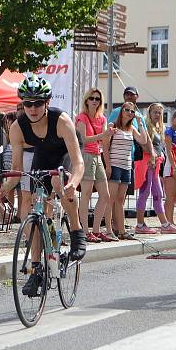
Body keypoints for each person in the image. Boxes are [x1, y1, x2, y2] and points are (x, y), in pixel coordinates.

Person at [0, 75, 87, 296]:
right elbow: (18, 171)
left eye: (38, 102)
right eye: (28, 103)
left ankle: (76, 232)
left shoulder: (62, 120)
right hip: (44, 155)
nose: (33, 108)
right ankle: (37, 269)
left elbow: (78, 162)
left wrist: (73, 184)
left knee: (60, 182)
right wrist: (4, 188)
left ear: (47, 102)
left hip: (65, 153)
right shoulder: (18, 128)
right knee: (31, 208)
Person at [104, 101, 148, 240]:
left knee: (120, 200)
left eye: (132, 111)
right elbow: (105, 147)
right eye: (127, 110)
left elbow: (143, 140)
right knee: (110, 199)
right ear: (121, 111)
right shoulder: (113, 126)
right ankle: (109, 229)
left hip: (127, 166)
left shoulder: (131, 128)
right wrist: (108, 166)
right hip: (115, 165)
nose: (130, 113)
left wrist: (140, 122)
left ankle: (122, 231)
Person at [75, 87, 113, 242]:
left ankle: (96, 230)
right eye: (92, 98)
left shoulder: (102, 118)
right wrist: (103, 135)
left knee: (105, 195)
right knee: (86, 194)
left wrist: (109, 135)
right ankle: (84, 231)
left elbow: (104, 142)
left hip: (97, 156)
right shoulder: (81, 118)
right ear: (86, 100)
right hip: (85, 156)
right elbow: (82, 140)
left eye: (97, 99)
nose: (95, 101)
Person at [135, 103, 176, 234]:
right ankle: (140, 224)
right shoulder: (147, 126)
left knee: (158, 194)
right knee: (145, 192)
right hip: (147, 162)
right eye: (155, 112)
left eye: (160, 113)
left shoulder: (159, 127)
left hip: (156, 163)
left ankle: (164, 224)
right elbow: (143, 142)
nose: (157, 115)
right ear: (149, 113)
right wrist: (152, 155)